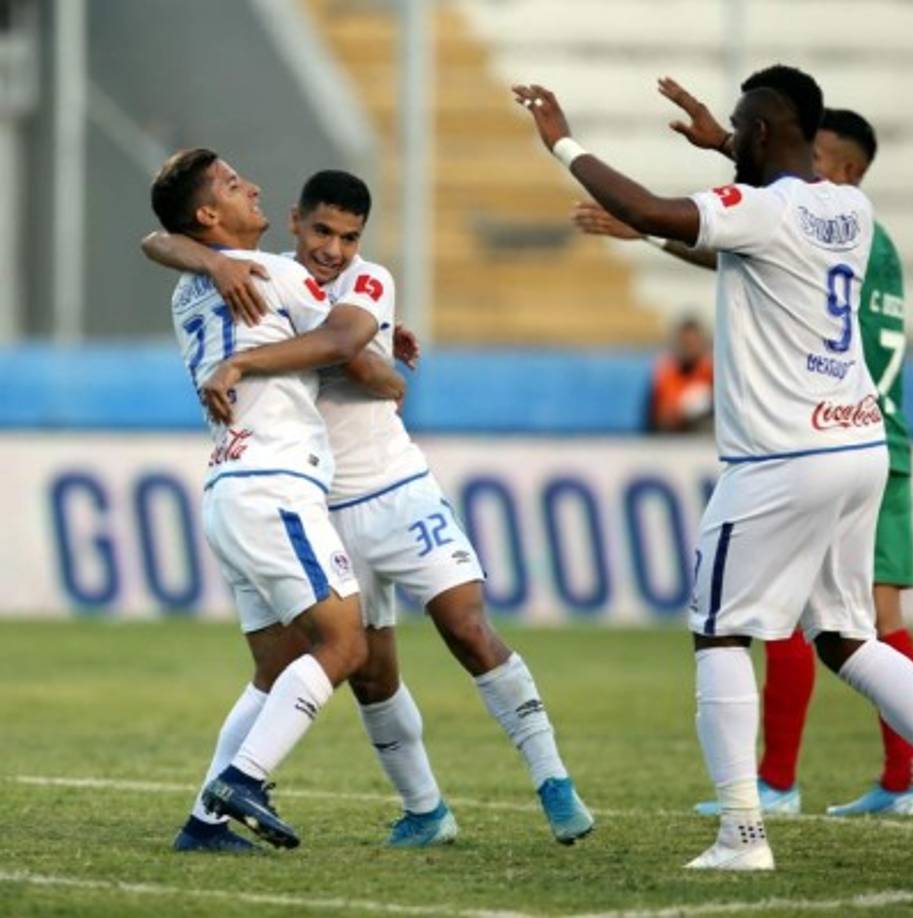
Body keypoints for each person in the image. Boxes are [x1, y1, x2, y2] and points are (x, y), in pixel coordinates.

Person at [514, 65, 913, 871]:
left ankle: (742, 835)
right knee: (847, 637)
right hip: (856, 448)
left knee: (718, 631)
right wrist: (727, 140)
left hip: (780, 458)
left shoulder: (757, 210)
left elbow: (648, 206)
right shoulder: (850, 210)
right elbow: (770, 199)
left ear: (760, 132)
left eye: (739, 126)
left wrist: (562, 143)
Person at [143, 169, 595, 850]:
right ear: (296, 223)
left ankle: (552, 780)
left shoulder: (357, 280)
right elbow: (349, 352)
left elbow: (366, 362)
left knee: (465, 628)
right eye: (321, 232)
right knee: (363, 666)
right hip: (307, 499)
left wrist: (327, 347)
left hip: (383, 487)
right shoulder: (265, 275)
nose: (333, 249)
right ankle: (415, 808)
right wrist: (230, 277)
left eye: (348, 237)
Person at [575, 97, 913, 817]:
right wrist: (713, 166)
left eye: (815, 157)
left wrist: (653, 204)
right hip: (862, 440)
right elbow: (760, 244)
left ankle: (825, 782)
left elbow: (768, 229)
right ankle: (881, 779)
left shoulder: (844, 225)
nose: (800, 169)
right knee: (842, 622)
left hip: (831, 436)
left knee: (815, 620)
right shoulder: (853, 225)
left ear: (844, 171)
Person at [149, 149, 399, 851]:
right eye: (233, 185)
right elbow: (347, 344)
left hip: (229, 486)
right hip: (275, 481)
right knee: (345, 642)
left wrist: (209, 260)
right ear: (208, 214)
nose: (252, 187)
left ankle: (204, 823)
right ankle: (243, 779)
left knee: (275, 667)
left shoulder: (189, 289)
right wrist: (387, 364)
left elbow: (160, 242)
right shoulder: (276, 273)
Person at [647, 316, 713, 433]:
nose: (689, 348)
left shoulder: (712, 374)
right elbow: (656, 417)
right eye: (685, 343)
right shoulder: (666, 373)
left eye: (693, 343)